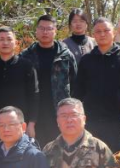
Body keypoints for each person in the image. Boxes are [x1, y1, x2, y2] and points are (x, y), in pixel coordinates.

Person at [72, 17, 120, 153]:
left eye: (106, 30)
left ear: (113, 32)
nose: (102, 34)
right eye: (98, 31)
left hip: (114, 123)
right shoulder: (86, 60)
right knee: (89, 159)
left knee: (113, 160)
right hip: (90, 122)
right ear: (93, 35)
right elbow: (78, 92)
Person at [20, 14, 77, 148]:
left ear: (55, 31)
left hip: (59, 111)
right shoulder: (26, 56)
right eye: (41, 28)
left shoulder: (65, 55)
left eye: (49, 29)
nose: (45, 32)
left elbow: (75, 83)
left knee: (60, 150)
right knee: (34, 151)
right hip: (33, 113)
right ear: (36, 30)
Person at [0, 27, 39, 147]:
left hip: (21, 123)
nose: (5, 42)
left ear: (15, 42)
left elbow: (34, 95)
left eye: (9, 39)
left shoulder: (26, 66)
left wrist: (31, 123)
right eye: (1, 39)